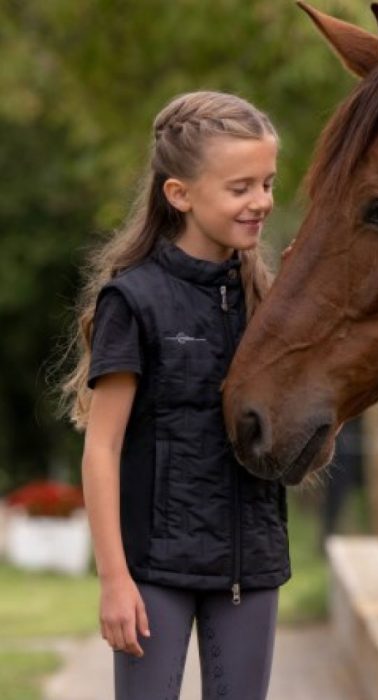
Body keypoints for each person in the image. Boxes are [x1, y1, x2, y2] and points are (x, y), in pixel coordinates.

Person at [59, 90, 290, 700]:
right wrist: (114, 579)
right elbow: (101, 449)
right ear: (180, 195)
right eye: (240, 187)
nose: (261, 202)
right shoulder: (132, 300)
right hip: (153, 571)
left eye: (267, 183)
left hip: (250, 569)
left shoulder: (271, 303)